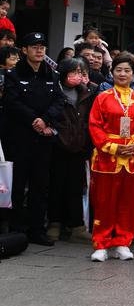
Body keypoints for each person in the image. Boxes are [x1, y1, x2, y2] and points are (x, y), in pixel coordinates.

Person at [87, 53, 134, 261]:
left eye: (127, 70)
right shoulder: (102, 98)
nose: (122, 74)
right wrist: (110, 147)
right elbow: (94, 126)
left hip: (133, 159)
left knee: (130, 202)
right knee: (104, 201)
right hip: (107, 158)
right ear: (112, 72)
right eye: (118, 70)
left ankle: (123, 241)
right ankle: (101, 242)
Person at [2, 32, 64, 245]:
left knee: (40, 185)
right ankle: (18, 229)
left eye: (42, 47)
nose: (39, 50)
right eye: (34, 46)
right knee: (18, 185)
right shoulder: (13, 74)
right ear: (24, 50)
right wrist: (34, 120)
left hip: (44, 139)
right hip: (21, 138)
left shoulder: (52, 74)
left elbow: (59, 101)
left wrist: (45, 120)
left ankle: (37, 229)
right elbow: (13, 102)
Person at [48, 58, 94, 243]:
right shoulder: (54, 91)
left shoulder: (86, 93)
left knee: (76, 187)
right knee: (56, 186)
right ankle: (54, 223)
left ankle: (77, 226)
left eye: (81, 72)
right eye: (73, 72)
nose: (78, 76)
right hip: (58, 146)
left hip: (79, 146)